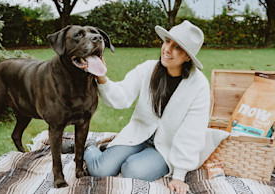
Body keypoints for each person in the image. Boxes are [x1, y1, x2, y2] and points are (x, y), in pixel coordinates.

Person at [63, 20, 210, 194]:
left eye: (177, 47)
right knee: (99, 170)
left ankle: (120, 154)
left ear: (188, 57)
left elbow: (191, 133)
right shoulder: (148, 69)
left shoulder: (199, 85)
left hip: (166, 148)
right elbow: (121, 98)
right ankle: (88, 146)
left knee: (132, 170)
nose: (167, 49)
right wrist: (102, 77)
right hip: (138, 135)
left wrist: (179, 175)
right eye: (167, 41)